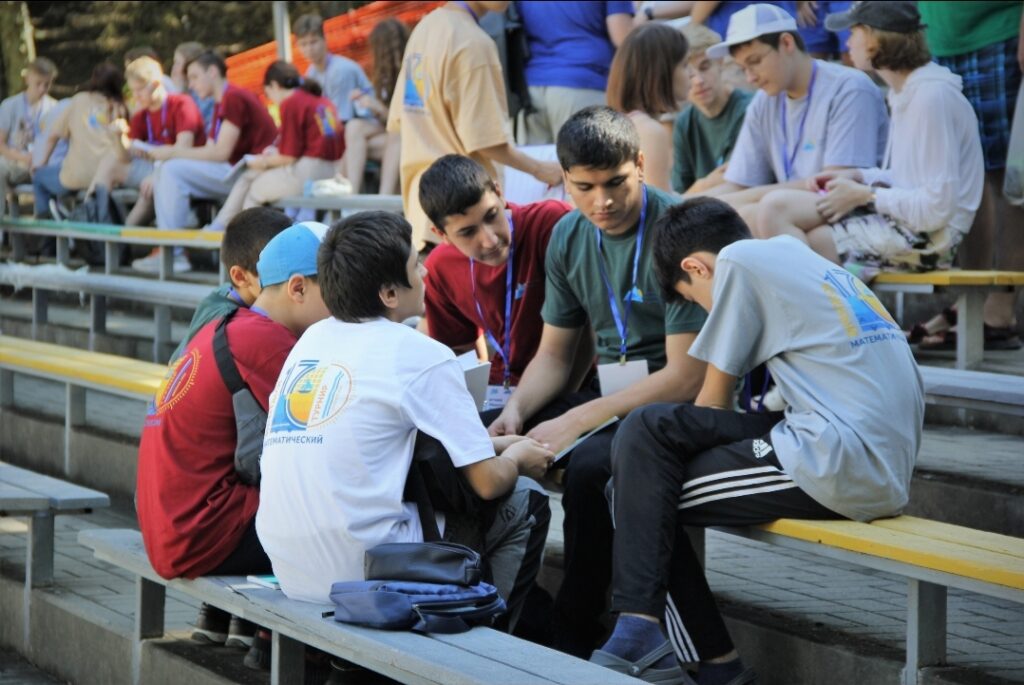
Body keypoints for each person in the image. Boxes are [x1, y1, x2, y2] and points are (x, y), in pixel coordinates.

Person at [589, 196, 923, 685]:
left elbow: (712, 404)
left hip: (840, 458)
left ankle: (661, 640)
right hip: (860, 447)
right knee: (644, 458)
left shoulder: (739, 263)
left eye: (695, 301)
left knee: (635, 483)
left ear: (695, 268)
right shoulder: (794, 255)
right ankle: (698, 658)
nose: (705, 312)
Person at [256, 211, 553, 636]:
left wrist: (495, 446)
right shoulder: (420, 353)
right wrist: (519, 458)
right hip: (364, 574)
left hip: (292, 569)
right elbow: (488, 482)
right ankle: (482, 639)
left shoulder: (310, 342)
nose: (426, 271)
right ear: (390, 292)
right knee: (526, 500)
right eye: (416, 265)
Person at [488, 106, 708, 657]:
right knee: (477, 434)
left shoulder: (679, 230)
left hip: (672, 406)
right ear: (564, 179)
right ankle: (492, 602)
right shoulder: (567, 234)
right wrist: (516, 409)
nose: (601, 202)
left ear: (641, 165)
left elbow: (686, 378)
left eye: (616, 183)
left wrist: (578, 418)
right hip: (610, 397)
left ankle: (576, 629)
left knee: (589, 467)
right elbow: (555, 354)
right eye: (584, 188)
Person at [136, 221, 329, 651]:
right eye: (336, 291)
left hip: (172, 525)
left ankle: (261, 634)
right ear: (298, 288)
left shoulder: (228, 322)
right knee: (349, 517)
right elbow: (334, 436)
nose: (345, 304)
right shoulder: (267, 341)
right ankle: (304, 651)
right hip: (200, 532)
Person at [755, 1, 984, 274]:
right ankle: (822, 301)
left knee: (804, 233)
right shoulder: (906, 92)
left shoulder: (930, 97)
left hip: (932, 239)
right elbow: (911, 179)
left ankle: (825, 302)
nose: (847, 43)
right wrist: (858, 176)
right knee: (778, 210)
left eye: (854, 33)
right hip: (907, 222)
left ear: (875, 39)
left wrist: (866, 195)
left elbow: (937, 207)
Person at [387, 0, 563, 251]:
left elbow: (403, 115)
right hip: (465, 219)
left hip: (426, 215)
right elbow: (486, 140)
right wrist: (541, 169)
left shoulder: (425, 27)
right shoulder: (473, 43)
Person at [695, 4, 888, 225]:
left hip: (857, 216)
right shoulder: (763, 100)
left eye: (755, 62)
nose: (750, 78)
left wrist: (738, 199)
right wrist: (685, 204)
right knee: (729, 214)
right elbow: (739, 183)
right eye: (743, 68)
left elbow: (832, 186)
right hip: (792, 216)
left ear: (787, 43)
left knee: (757, 212)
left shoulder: (849, 88)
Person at [909, 1, 1024, 351]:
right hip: (938, 40)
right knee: (965, 178)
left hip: (999, 34)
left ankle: (1000, 309)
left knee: (1009, 177)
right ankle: (971, 303)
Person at [419, 154, 575, 400]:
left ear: (499, 193)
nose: (490, 240)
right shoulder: (440, 267)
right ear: (441, 235)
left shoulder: (551, 222)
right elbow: (462, 352)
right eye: (468, 232)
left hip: (572, 384)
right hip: (501, 389)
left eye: (491, 215)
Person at [141, 51, 277, 273]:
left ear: (212, 72)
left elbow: (221, 152)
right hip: (237, 171)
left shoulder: (233, 97)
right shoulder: (221, 100)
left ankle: (174, 253)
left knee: (171, 170)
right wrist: (173, 154)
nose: (191, 85)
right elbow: (211, 149)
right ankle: (173, 250)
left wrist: (172, 153)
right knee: (169, 169)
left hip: (251, 172)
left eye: (194, 77)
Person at [203, 62, 343, 233]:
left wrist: (261, 162)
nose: (272, 100)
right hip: (330, 170)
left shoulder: (291, 102)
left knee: (255, 188)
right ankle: (222, 225)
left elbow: (288, 157)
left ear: (274, 86)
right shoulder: (320, 100)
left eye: (268, 94)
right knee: (251, 175)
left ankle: (245, 238)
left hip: (309, 174)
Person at [78, 56, 205, 228]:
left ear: (156, 84)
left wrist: (158, 175)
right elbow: (124, 158)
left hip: (181, 168)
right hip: (155, 169)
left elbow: (184, 149)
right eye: (132, 91)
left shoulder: (182, 104)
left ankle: (121, 237)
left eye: (139, 90)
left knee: (151, 189)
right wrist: (119, 137)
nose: (136, 97)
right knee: (110, 161)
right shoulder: (142, 114)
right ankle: (89, 218)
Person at [169, 207, 293, 362]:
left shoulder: (224, 293)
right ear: (240, 276)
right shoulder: (230, 324)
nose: (290, 280)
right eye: (276, 271)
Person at [516, 0, 634, 145]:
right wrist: (647, 16)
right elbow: (623, 37)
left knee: (535, 158)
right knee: (590, 158)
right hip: (583, 85)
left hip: (532, 89)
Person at [32, 62, 127, 221]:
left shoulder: (79, 100)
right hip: (111, 177)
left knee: (39, 177)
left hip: (75, 176)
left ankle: (46, 227)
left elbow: (53, 136)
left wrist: (41, 163)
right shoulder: (122, 105)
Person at [606, 23, 689, 193]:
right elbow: (660, 207)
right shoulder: (649, 131)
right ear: (662, 73)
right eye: (685, 65)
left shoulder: (626, 123)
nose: (693, 73)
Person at [671, 24, 754, 195]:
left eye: (705, 67)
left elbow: (733, 183)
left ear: (720, 62)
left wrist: (695, 190)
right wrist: (705, 184)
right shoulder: (684, 122)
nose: (698, 81)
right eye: (689, 73)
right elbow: (678, 195)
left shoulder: (748, 109)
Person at [342, 18, 408, 195]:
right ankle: (351, 197)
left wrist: (379, 108)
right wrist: (370, 106)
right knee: (353, 127)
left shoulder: (410, 73)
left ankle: (382, 198)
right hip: (389, 134)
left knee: (355, 150)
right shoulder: (382, 75)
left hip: (406, 137)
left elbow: (404, 122)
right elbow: (387, 120)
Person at [0, 58, 57, 218]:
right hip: (15, 161)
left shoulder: (54, 107)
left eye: (47, 84)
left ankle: (47, 223)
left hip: (44, 162)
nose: (42, 89)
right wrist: (23, 158)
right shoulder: (9, 105)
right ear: (27, 79)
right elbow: (1, 144)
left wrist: (40, 159)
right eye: (38, 83)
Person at [293, 13, 373, 124]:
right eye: (303, 44)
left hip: (365, 125)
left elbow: (343, 120)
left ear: (324, 40)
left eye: (313, 42)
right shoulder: (311, 73)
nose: (309, 49)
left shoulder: (341, 70)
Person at [171, 41, 216, 129]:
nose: (174, 67)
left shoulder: (203, 95)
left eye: (177, 63)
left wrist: (178, 92)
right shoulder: (182, 90)